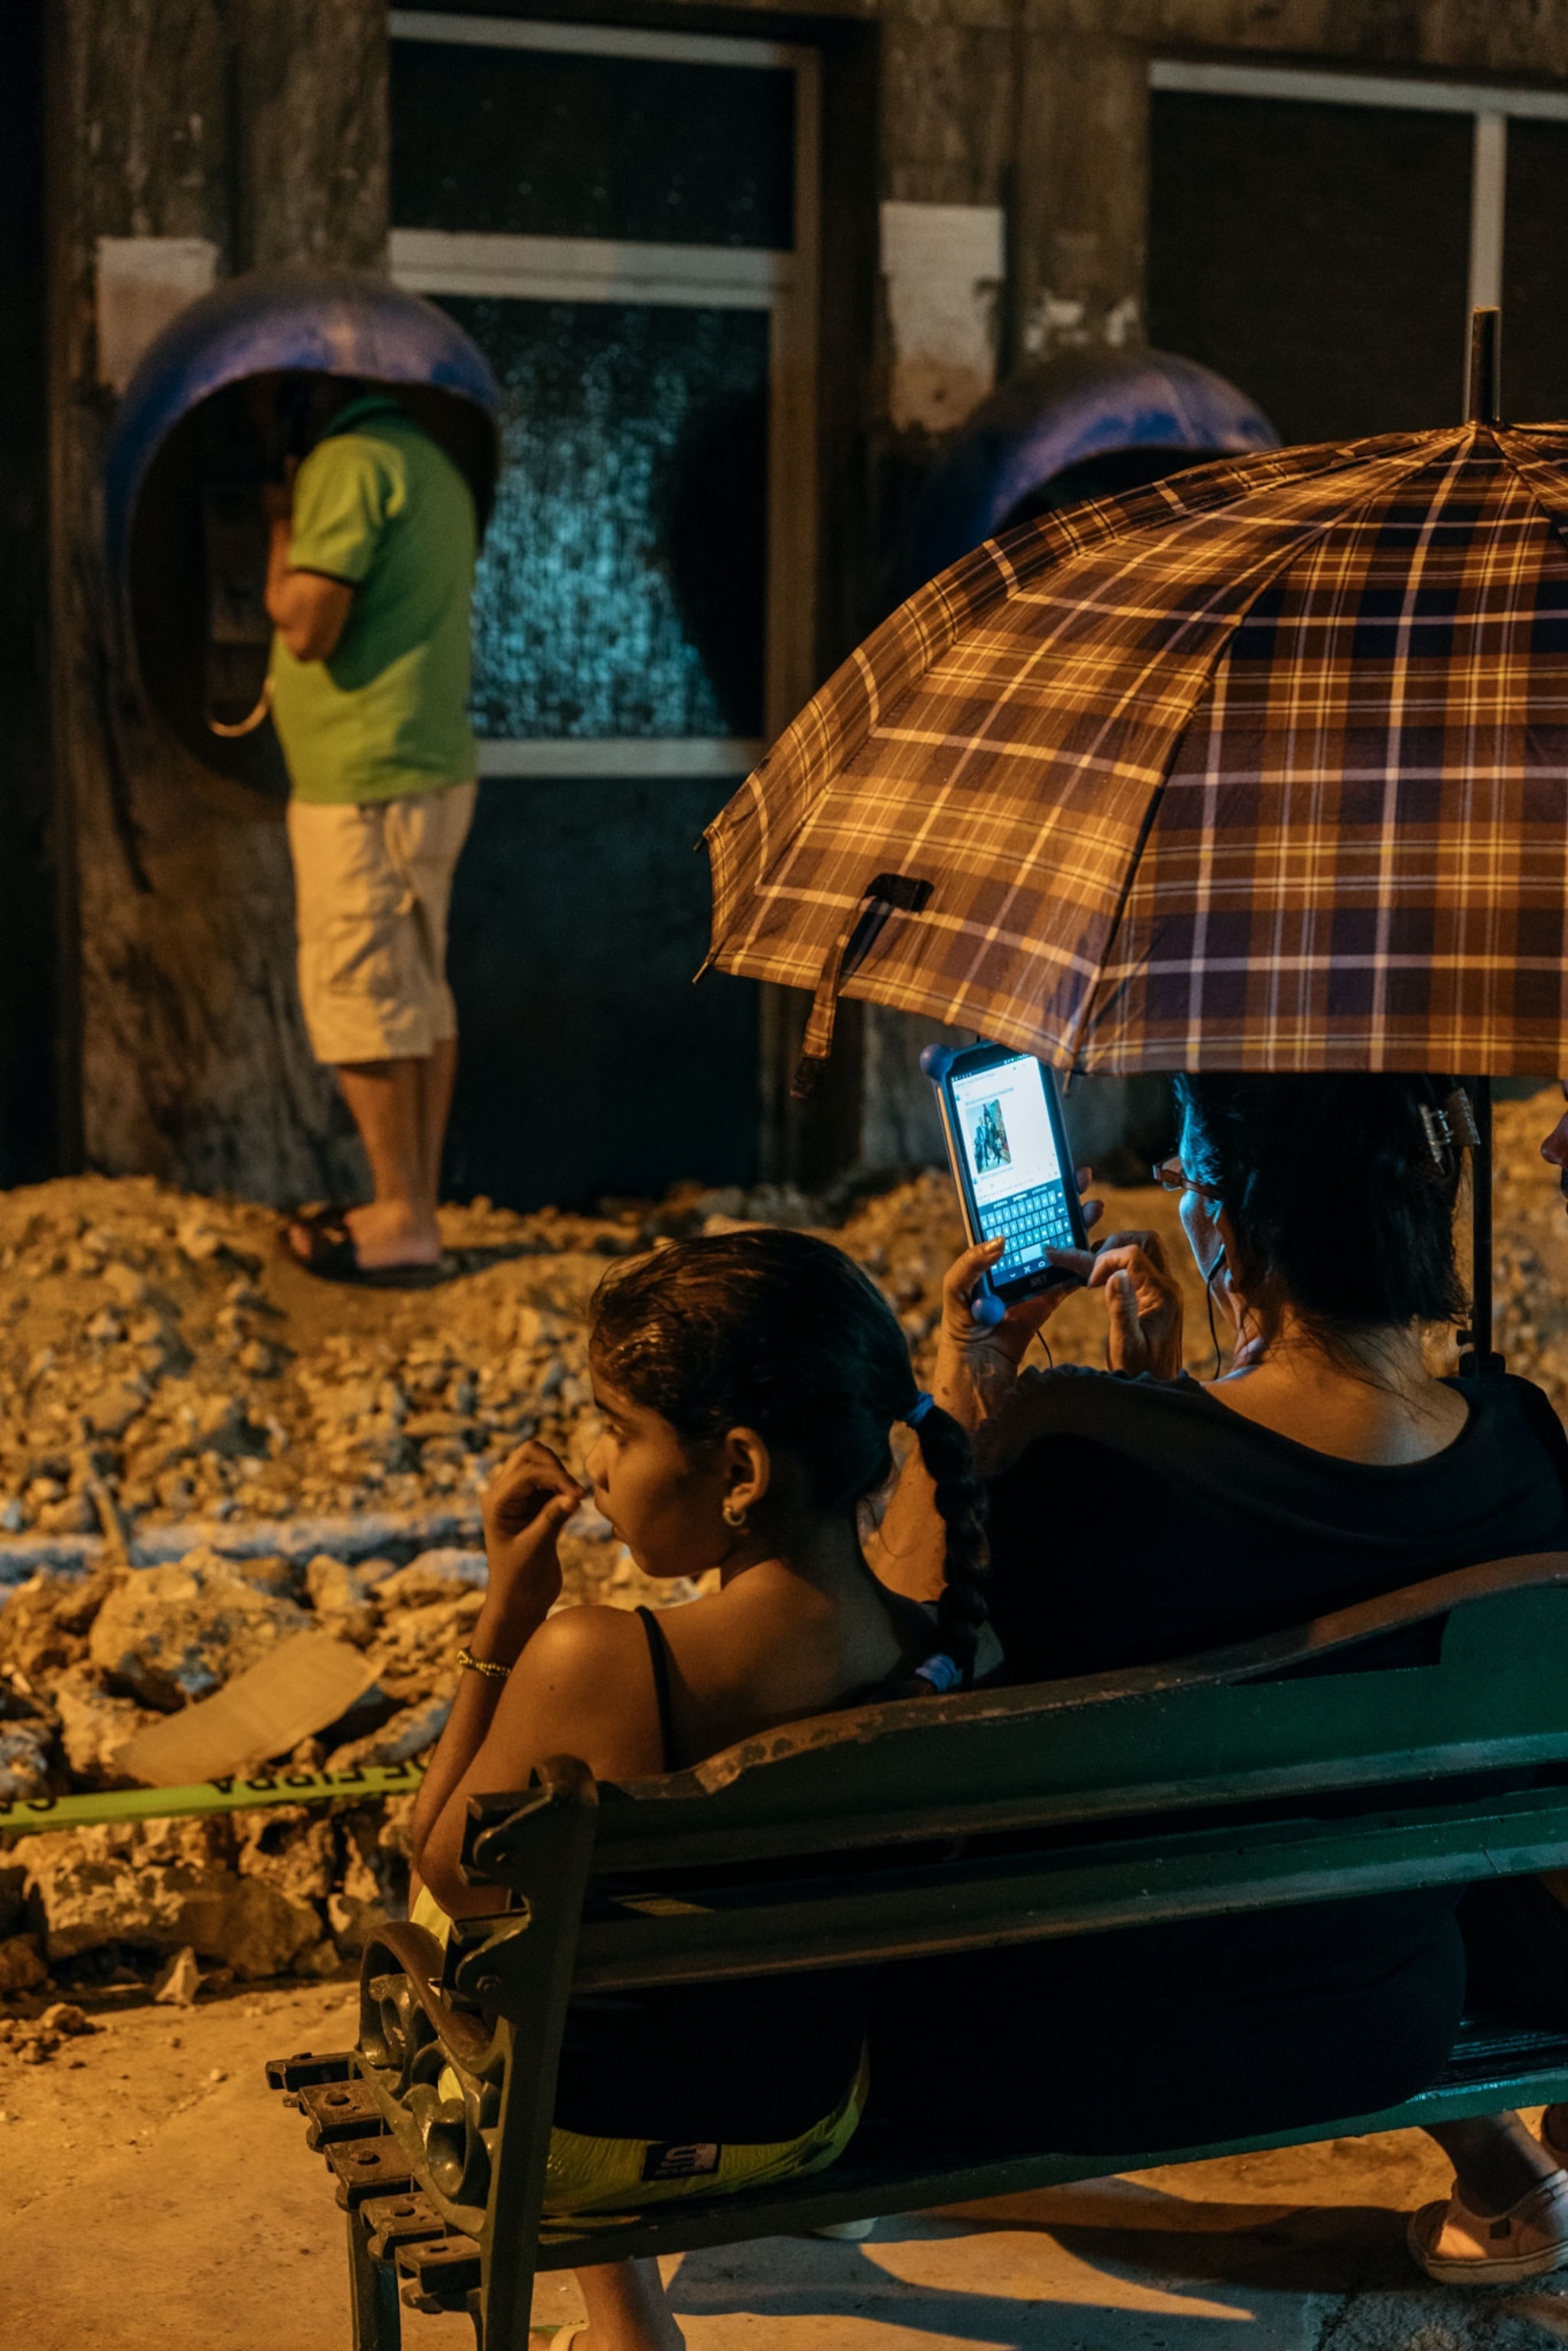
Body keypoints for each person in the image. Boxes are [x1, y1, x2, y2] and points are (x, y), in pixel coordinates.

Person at [868, 1072, 1568, 2287]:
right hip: (1385, 2012)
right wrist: (1146, 1402)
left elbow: (882, 1685)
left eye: (1189, 1176)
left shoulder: (1074, 1447)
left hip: (1084, 2046)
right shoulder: (1521, 1443)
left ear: (1226, 1222)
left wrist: (977, 1383)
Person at [406, 1228, 989, 2351]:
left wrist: (502, 1630)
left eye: (619, 1430)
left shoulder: (599, 1662)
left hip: (572, 2146)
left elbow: (437, 1859)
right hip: (809, 2120)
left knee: (458, 1912)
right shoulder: (942, 1648)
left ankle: (630, 2325)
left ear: (740, 1471)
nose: (599, 1461)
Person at [264, 375, 478, 1284]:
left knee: (363, 986)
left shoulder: (349, 466)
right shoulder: (429, 461)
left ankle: (398, 1216)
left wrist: (279, 531)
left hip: (365, 778)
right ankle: (414, 1206)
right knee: (416, 988)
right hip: (422, 766)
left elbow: (310, 621)